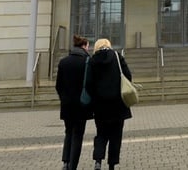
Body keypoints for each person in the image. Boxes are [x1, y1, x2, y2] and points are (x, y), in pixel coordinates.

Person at [83, 38, 133, 170]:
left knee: (101, 134)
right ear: (109, 45)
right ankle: (112, 164)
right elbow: (128, 75)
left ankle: (98, 160)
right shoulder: (117, 57)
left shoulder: (93, 61)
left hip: (100, 106)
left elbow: (88, 83)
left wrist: (95, 98)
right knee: (116, 136)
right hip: (118, 104)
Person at [55, 35, 89, 170]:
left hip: (67, 104)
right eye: (87, 46)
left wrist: (63, 98)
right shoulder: (87, 61)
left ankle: (65, 162)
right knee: (78, 135)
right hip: (81, 104)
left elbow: (58, 85)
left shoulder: (63, 62)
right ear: (84, 46)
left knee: (68, 132)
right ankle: (73, 165)